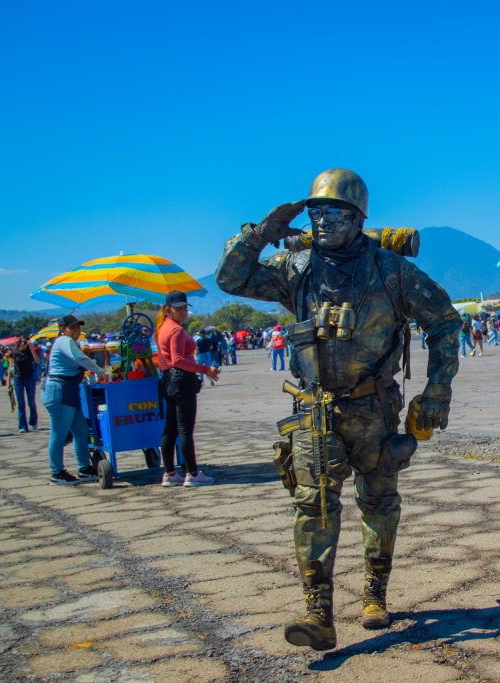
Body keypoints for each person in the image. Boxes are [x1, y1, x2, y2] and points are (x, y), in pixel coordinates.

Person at [215, 168, 461, 651]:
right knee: (313, 506)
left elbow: (445, 323)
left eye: (335, 212)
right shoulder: (296, 268)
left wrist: (437, 391)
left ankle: (375, 592)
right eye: (315, 212)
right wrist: (260, 233)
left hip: (374, 408)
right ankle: (318, 613)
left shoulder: (391, 270)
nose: (323, 220)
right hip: (314, 410)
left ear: (358, 218)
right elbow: (231, 277)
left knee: (379, 501)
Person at [156, 291, 219, 487]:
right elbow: (178, 360)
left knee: (170, 430)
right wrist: (205, 370)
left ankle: (170, 473)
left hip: (168, 381)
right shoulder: (175, 330)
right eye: (179, 308)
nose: (183, 311)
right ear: (168, 310)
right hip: (181, 381)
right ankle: (192, 474)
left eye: (185, 308)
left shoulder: (162, 328)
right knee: (185, 430)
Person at [41, 315, 107, 485]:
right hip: (60, 391)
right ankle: (57, 473)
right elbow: (80, 359)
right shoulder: (64, 340)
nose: (77, 330)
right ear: (63, 330)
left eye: (78, 327)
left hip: (69, 391)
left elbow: (80, 354)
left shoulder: (71, 342)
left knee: (82, 431)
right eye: (73, 327)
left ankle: (84, 469)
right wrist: (100, 372)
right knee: (59, 433)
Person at [12, 337, 41, 433]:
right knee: (21, 403)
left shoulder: (30, 352)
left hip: (29, 378)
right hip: (18, 379)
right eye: (21, 342)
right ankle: (23, 426)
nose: (23, 344)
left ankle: (33, 421)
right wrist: (8, 382)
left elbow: (37, 361)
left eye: (25, 342)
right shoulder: (15, 353)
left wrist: (31, 348)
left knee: (31, 402)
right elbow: (10, 367)